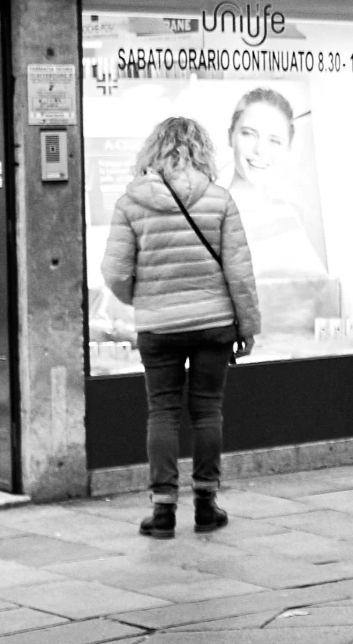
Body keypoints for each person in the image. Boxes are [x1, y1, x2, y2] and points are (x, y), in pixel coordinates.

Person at [100, 116, 259, 537]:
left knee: (163, 412)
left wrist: (145, 300)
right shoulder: (220, 200)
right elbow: (239, 274)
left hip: (159, 328)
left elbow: (114, 272)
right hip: (214, 324)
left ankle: (164, 510)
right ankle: (206, 506)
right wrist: (248, 326)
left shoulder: (130, 203)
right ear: (203, 151)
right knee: (208, 410)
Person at [225, 87, 327, 280]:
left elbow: (318, 293)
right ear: (230, 135)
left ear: (288, 148)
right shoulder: (209, 215)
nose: (260, 150)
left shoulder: (286, 213)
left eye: (275, 141)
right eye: (248, 133)